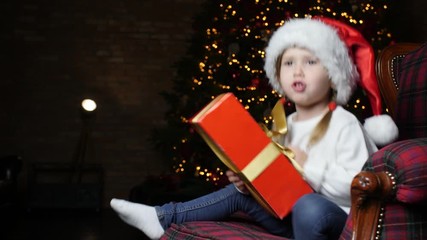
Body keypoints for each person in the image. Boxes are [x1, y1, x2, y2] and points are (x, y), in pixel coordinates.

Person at [110, 17, 398, 240]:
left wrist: (308, 167)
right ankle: (161, 218)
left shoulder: (343, 122)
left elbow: (361, 190)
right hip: (291, 218)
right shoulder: (285, 123)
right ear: (278, 76)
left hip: (337, 221)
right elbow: (283, 184)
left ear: (333, 76)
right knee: (241, 193)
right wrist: (251, 179)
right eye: (288, 63)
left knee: (310, 206)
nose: (297, 71)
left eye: (310, 62)